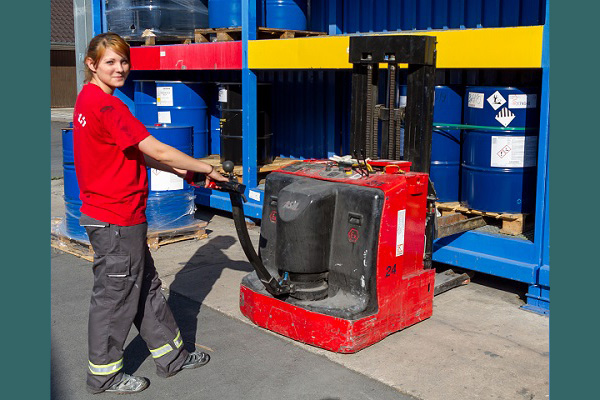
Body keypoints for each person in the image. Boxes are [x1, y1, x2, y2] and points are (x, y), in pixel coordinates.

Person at [73, 32, 229, 395]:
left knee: (144, 287)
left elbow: (129, 151)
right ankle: (105, 376)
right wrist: (205, 169)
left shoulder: (87, 99)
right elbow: (156, 147)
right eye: (110, 62)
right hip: (115, 217)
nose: (120, 68)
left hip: (115, 215)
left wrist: (181, 172)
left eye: (124, 61)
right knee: (115, 297)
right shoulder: (109, 107)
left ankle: (171, 357)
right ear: (92, 64)